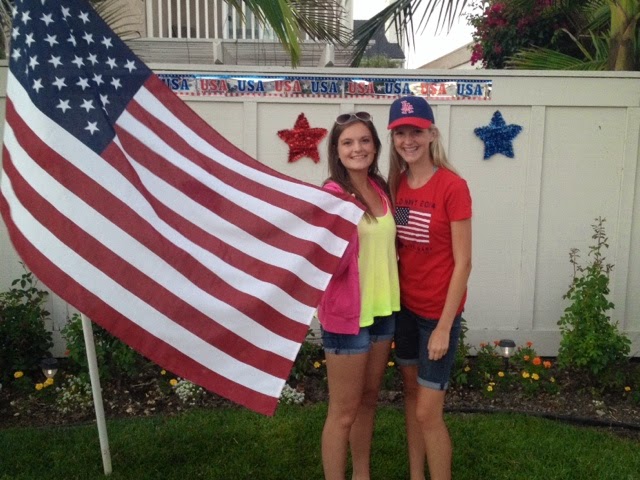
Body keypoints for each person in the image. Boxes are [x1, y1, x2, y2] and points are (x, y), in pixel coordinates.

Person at [387, 96, 472, 480]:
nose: (409, 140)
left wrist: (443, 326)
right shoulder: (397, 185)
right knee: (411, 399)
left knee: (427, 412)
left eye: (416, 132)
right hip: (405, 311)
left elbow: (464, 262)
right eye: (400, 133)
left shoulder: (453, 186)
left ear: (432, 134)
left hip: (437, 317)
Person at [318, 111, 400, 480]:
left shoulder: (380, 189)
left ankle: (361, 474)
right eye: (348, 142)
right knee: (343, 412)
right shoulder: (332, 196)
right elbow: (325, 260)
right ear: (336, 151)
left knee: (368, 401)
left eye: (364, 140)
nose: (357, 148)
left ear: (375, 146)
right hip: (347, 316)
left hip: (383, 310)